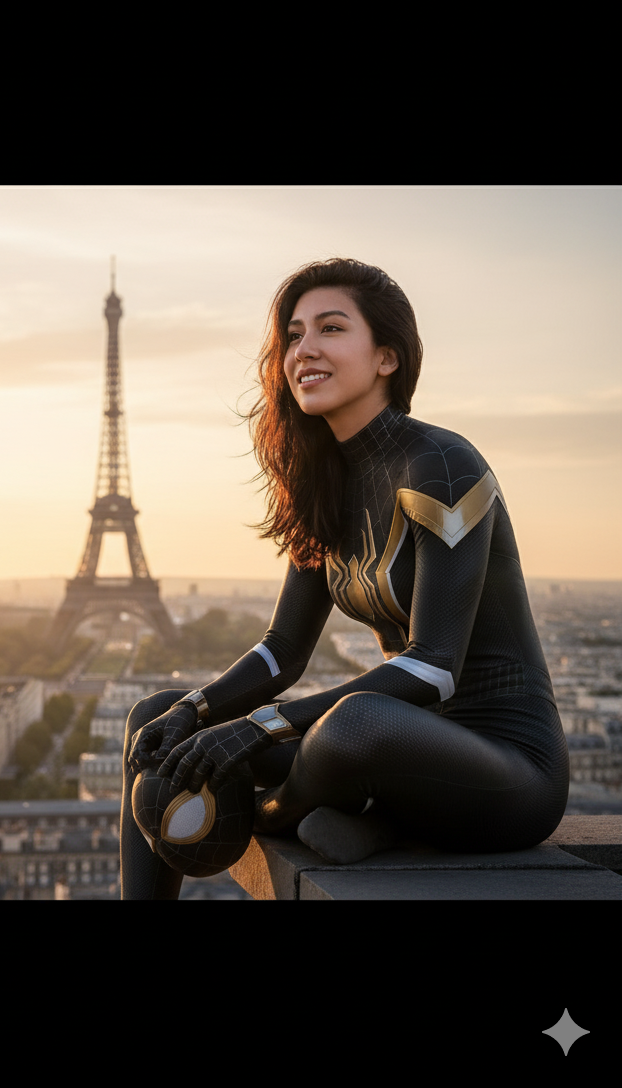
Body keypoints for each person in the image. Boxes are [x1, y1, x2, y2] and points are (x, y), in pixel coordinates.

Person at [120, 257, 569, 900]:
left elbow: (435, 668)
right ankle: (361, 822)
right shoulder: (322, 484)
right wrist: (197, 709)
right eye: (294, 336)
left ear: (387, 357)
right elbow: (282, 651)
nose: (305, 349)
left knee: (352, 724)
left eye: (331, 329)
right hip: (383, 757)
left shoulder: (442, 463)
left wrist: (256, 729)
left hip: (506, 775)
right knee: (155, 718)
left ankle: (275, 814)